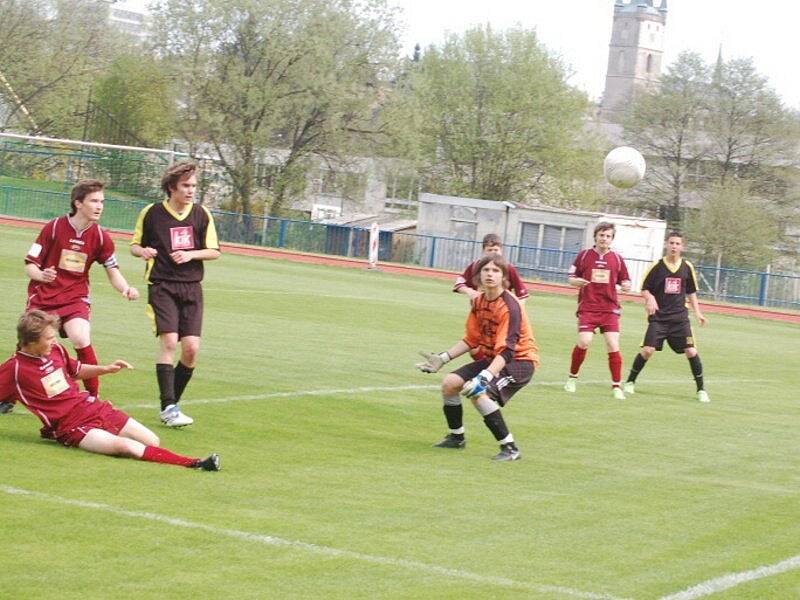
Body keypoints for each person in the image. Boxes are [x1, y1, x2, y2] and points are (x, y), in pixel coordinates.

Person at [0, 310, 220, 471]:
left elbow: (75, 370)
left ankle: (104, 436)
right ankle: (195, 463)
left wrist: (106, 369)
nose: (53, 341)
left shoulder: (56, 350)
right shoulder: (15, 368)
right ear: (30, 341)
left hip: (93, 408)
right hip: (70, 426)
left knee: (151, 441)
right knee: (128, 447)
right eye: (48, 338)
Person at [23, 179, 139, 400]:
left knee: (80, 337)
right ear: (78, 203)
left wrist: (125, 288)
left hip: (74, 299)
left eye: (102, 201)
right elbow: (30, 264)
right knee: (30, 346)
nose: (99, 206)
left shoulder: (102, 237)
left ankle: (92, 396)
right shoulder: (54, 227)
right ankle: (7, 396)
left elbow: (112, 271)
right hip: (43, 299)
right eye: (94, 201)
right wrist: (42, 275)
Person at [416, 254, 539, 461]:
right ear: (478, 276)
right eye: (486, 270)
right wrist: (442, 358)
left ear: (504, 277)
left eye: (496, 271)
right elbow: (471, 339)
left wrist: (484, 377)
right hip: (494, 359)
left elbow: (507, 351)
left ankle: (510, 448)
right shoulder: (479, 301)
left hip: (519, 362)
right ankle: (456, 438)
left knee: (479, 393)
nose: (490, 274)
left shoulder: (510, 306)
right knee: (450, 383)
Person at [130, 160, 220, 427]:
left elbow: (214, 251)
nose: (191, 191)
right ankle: (168, 406)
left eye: (194, 186)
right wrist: (143, 252)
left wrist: (191, 254)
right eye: (186, 186)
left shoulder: (202, 214)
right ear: (172, 187)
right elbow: (134, 245)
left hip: (192, 288)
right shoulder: (152, 212)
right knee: (169, 342)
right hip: (162, 285)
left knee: (191, 350)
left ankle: (171, 404)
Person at [623, 232, 709, 402]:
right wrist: (650, 298)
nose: (674, 246)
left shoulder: (686, 267)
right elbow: (644, 288)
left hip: (679, 319)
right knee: (648, 350)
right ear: (666, 245)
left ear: (682, 247)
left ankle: (701, 390)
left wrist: (698, 312)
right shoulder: (657, 266)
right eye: (671, 243)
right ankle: (630, 382)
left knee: (691, 351)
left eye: (677, 243)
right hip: (659, 318)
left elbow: (691, 292)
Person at [563, 222, 632, 400]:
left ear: (612, 239)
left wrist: (626, 285)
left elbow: (626, 281)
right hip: (588, 306)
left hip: (610, 308)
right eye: (601, 235)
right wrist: (576, 282)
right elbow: (571, 277)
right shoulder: (584, 255)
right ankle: (572, 378)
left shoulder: (617, 259)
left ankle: (616, 386)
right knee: (584, 341)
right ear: (595, 236)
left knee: (613, 344)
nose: (604, 239)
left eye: (608, 236)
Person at [453, 233, 529, 303]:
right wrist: (470, 292)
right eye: (489, 250)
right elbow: (459, 284)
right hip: (479, 311)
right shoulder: (475, 266)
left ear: (501, 251)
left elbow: (522, 295)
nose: (493, 252)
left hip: (500, 312)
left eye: (496, 250)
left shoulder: (508, 268)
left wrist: (516, 309)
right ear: (483, 251)